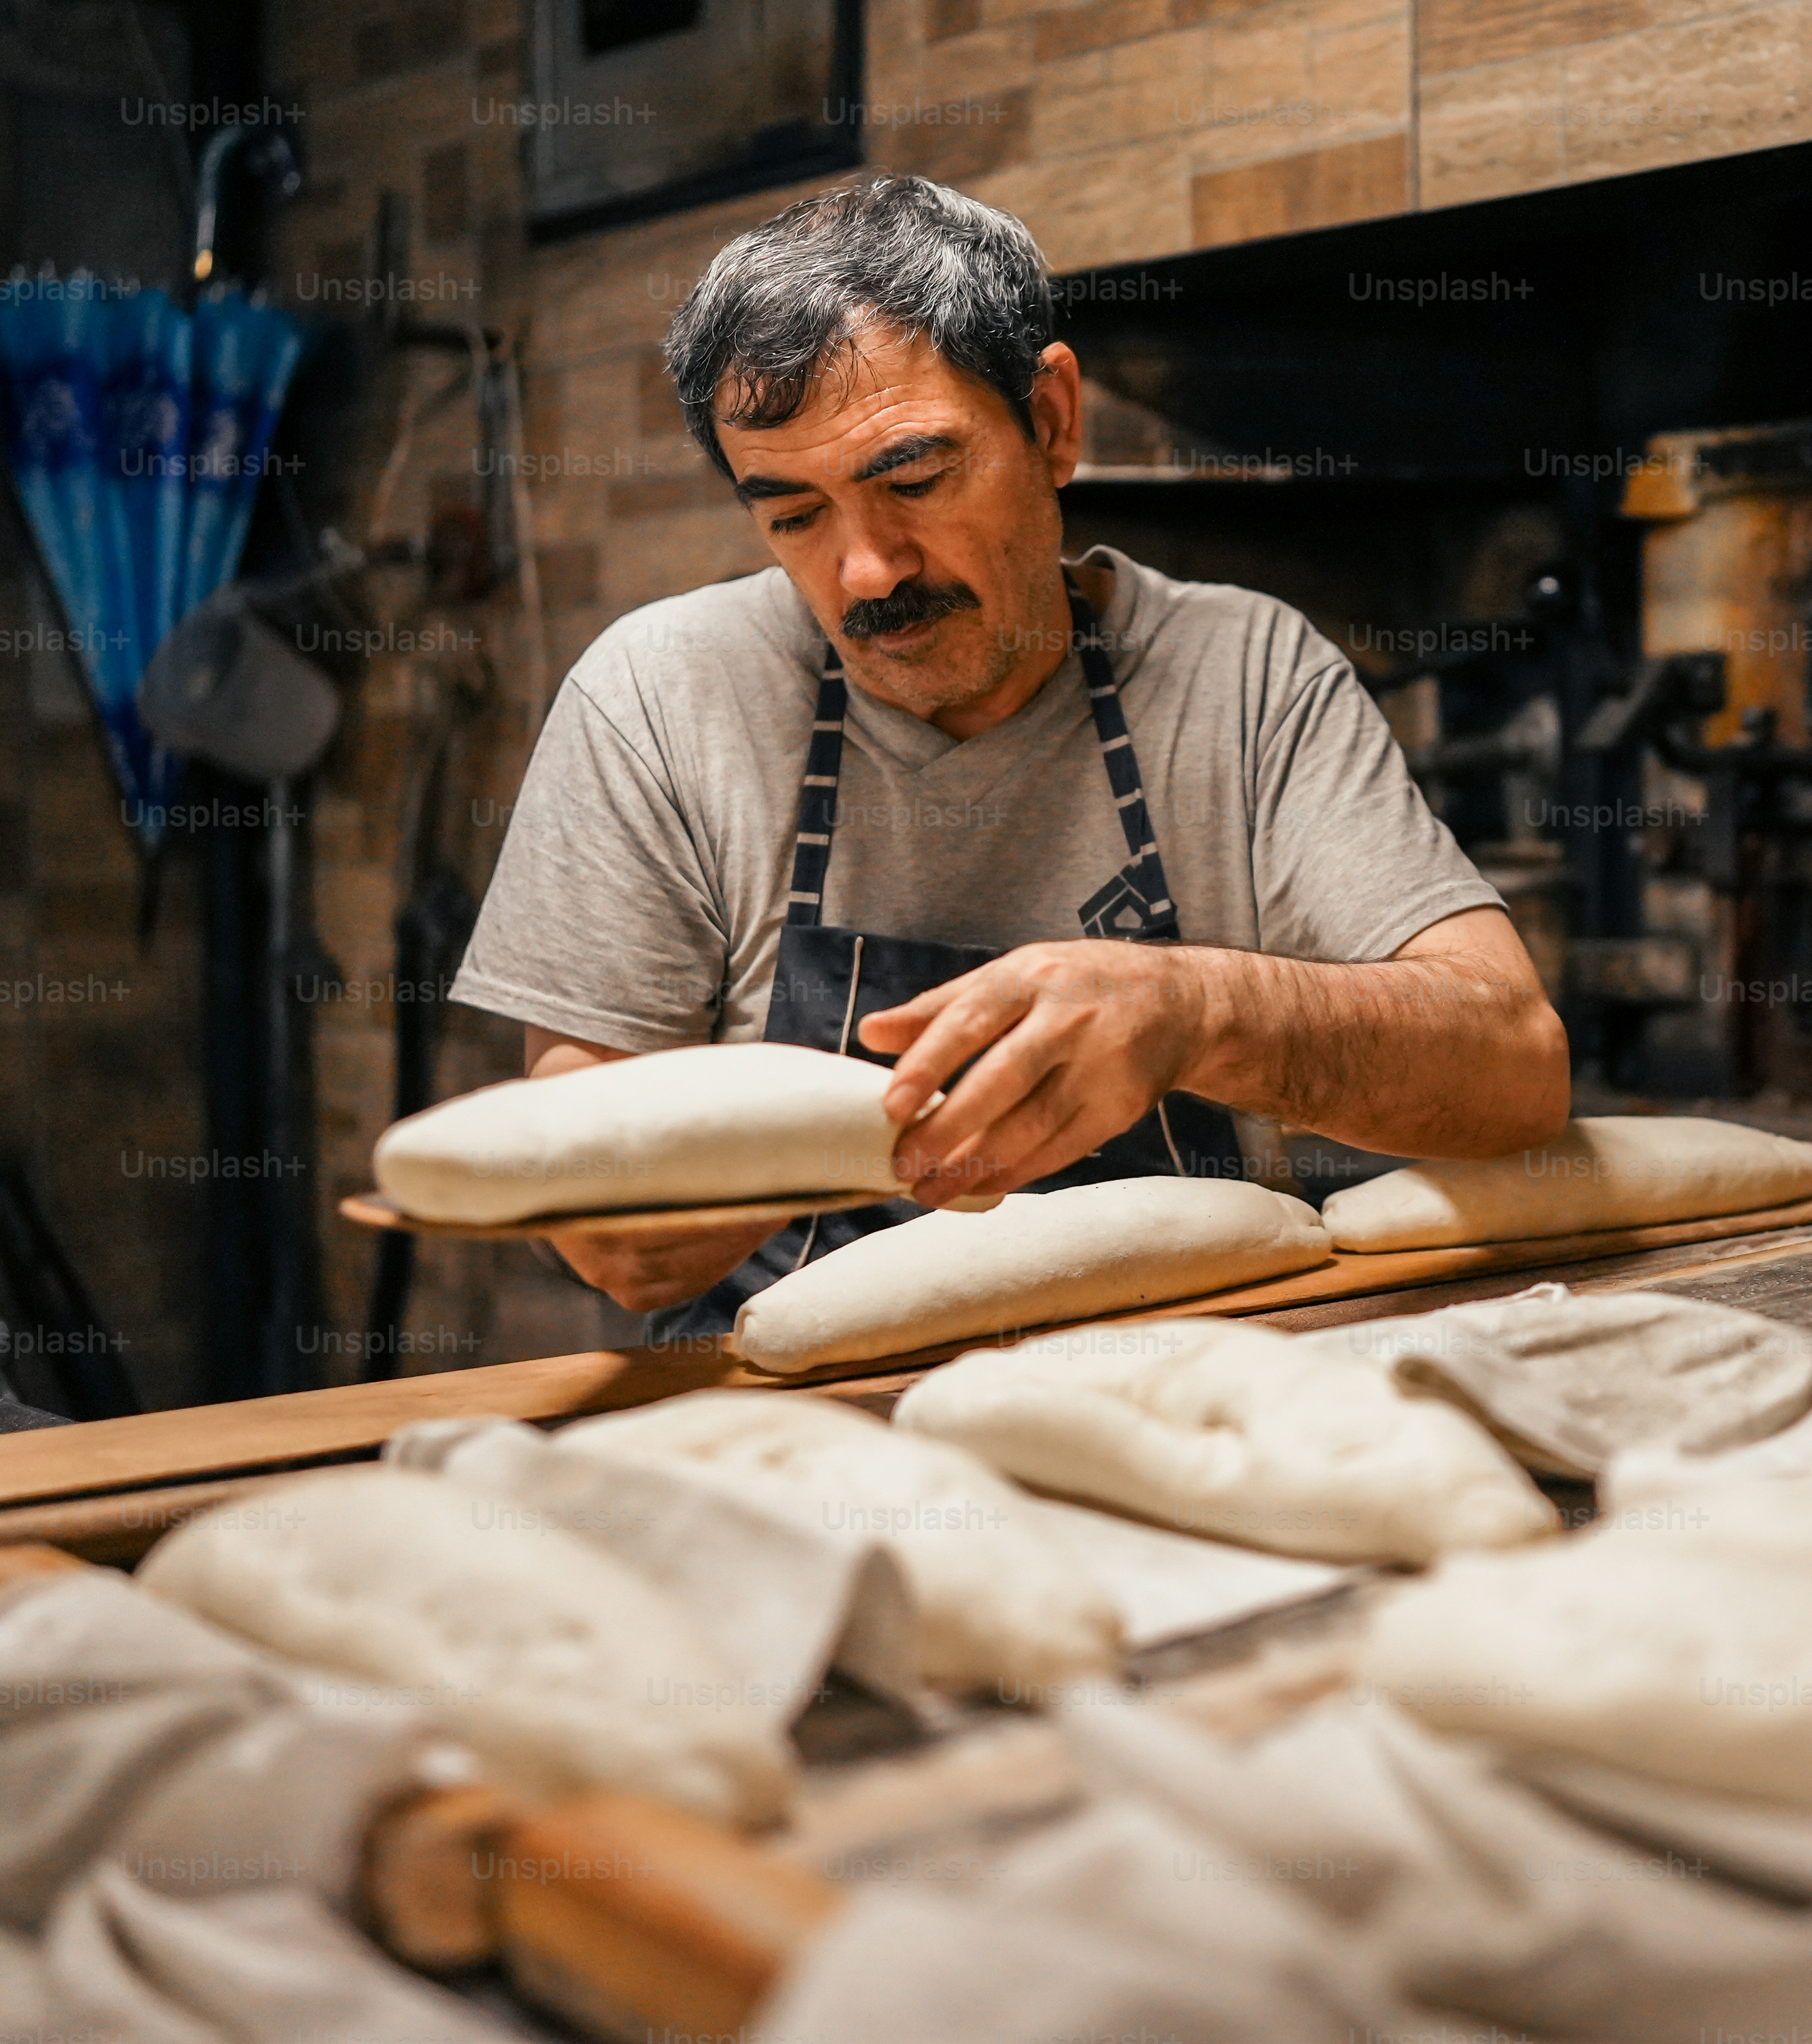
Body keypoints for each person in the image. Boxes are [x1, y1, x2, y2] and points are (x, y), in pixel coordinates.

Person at [442, 173, 1569, 1336]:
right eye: (794, 516)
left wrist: (1197, 1009)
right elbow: (594, 1186)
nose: (867, 568)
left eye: (914, 481)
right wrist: (628, 1201)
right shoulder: (659, 698)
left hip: (1188, 1391)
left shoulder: (1245, 677)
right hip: (793, 1411)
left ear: (1051, 421)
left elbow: (1516, 1068)